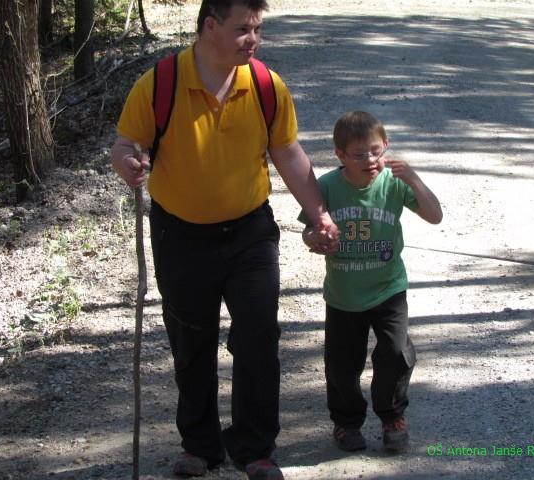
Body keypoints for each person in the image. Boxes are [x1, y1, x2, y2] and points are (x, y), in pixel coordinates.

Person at [111, 1, 338, 478]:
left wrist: (319, 213)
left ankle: (255, 450)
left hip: (250, 233)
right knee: (191, 342)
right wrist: (128, 163)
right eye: (242, 29)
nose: (253, 39)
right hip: (180, 236)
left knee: (258, 337)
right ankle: (200, 447)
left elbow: (288, 152)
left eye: (257, 29)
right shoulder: (160, 84)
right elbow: (126, 144)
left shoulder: (265, 85)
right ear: (210, 26)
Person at [299, 111, 442, 454]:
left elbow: (435, 215)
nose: (370, 160)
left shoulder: (394, 183)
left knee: (395, 353)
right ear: (340, 155)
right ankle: (346, 423)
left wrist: (414, 179)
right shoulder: (327, 186)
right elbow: (308, 230)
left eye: (376, 151)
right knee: (342, 365)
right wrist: (315, 239)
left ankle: (392, 417)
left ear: (386, 146)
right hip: (344, 295)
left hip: (388, 288)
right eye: (359, 154)